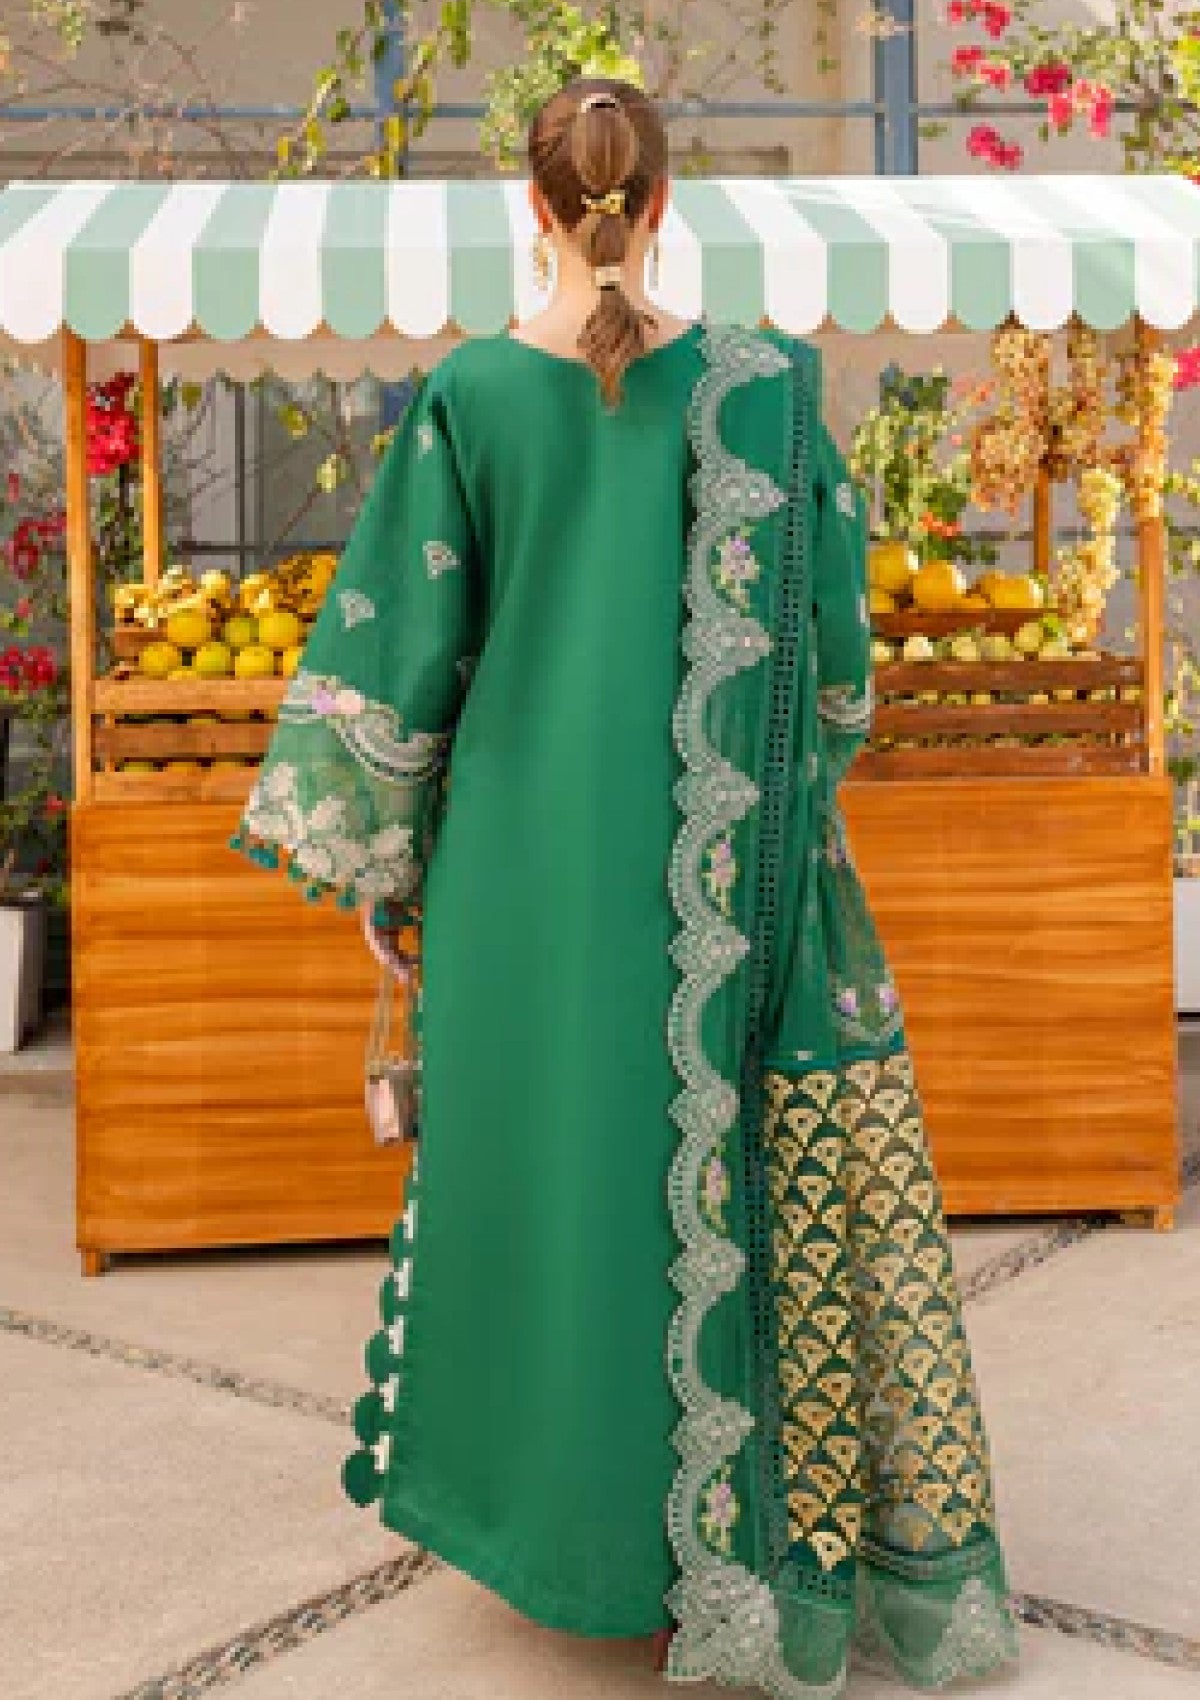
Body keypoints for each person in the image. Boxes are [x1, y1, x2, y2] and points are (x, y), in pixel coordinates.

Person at [229, 76, 1019, 1700]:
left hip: (521, 879)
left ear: (535, 209)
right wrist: (766, 810)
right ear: (662, 203)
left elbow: (402, 651)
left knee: (550, 1191)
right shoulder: (771, 390)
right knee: (710, 1192)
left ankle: (561, 1546)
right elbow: (841, 679)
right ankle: (724, 1567)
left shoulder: (468, 397)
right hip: (726, 886)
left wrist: (383, 866)